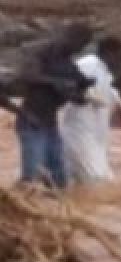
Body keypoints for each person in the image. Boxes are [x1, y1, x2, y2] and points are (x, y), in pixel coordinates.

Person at [13, 23, 95, 189]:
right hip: (32, 120)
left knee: (58, 181)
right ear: (71, 37)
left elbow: (77, 95)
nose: (80, 49)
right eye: (80, 44)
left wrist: (83, 94)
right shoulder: (42, 52)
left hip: (51, 124)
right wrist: (56, 83)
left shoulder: (68, 64)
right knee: (32, 179)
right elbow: (26, 75)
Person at [61, 36, 121, 186]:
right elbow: (70, 82)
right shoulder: (89, 64)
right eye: (118, 56)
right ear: (108, 53)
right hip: (80, 135)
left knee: (85, 183)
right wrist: (86, 95)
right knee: (97, 183)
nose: (119, 61)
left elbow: (111, 95)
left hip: (95, 140)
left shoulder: (105, 74)